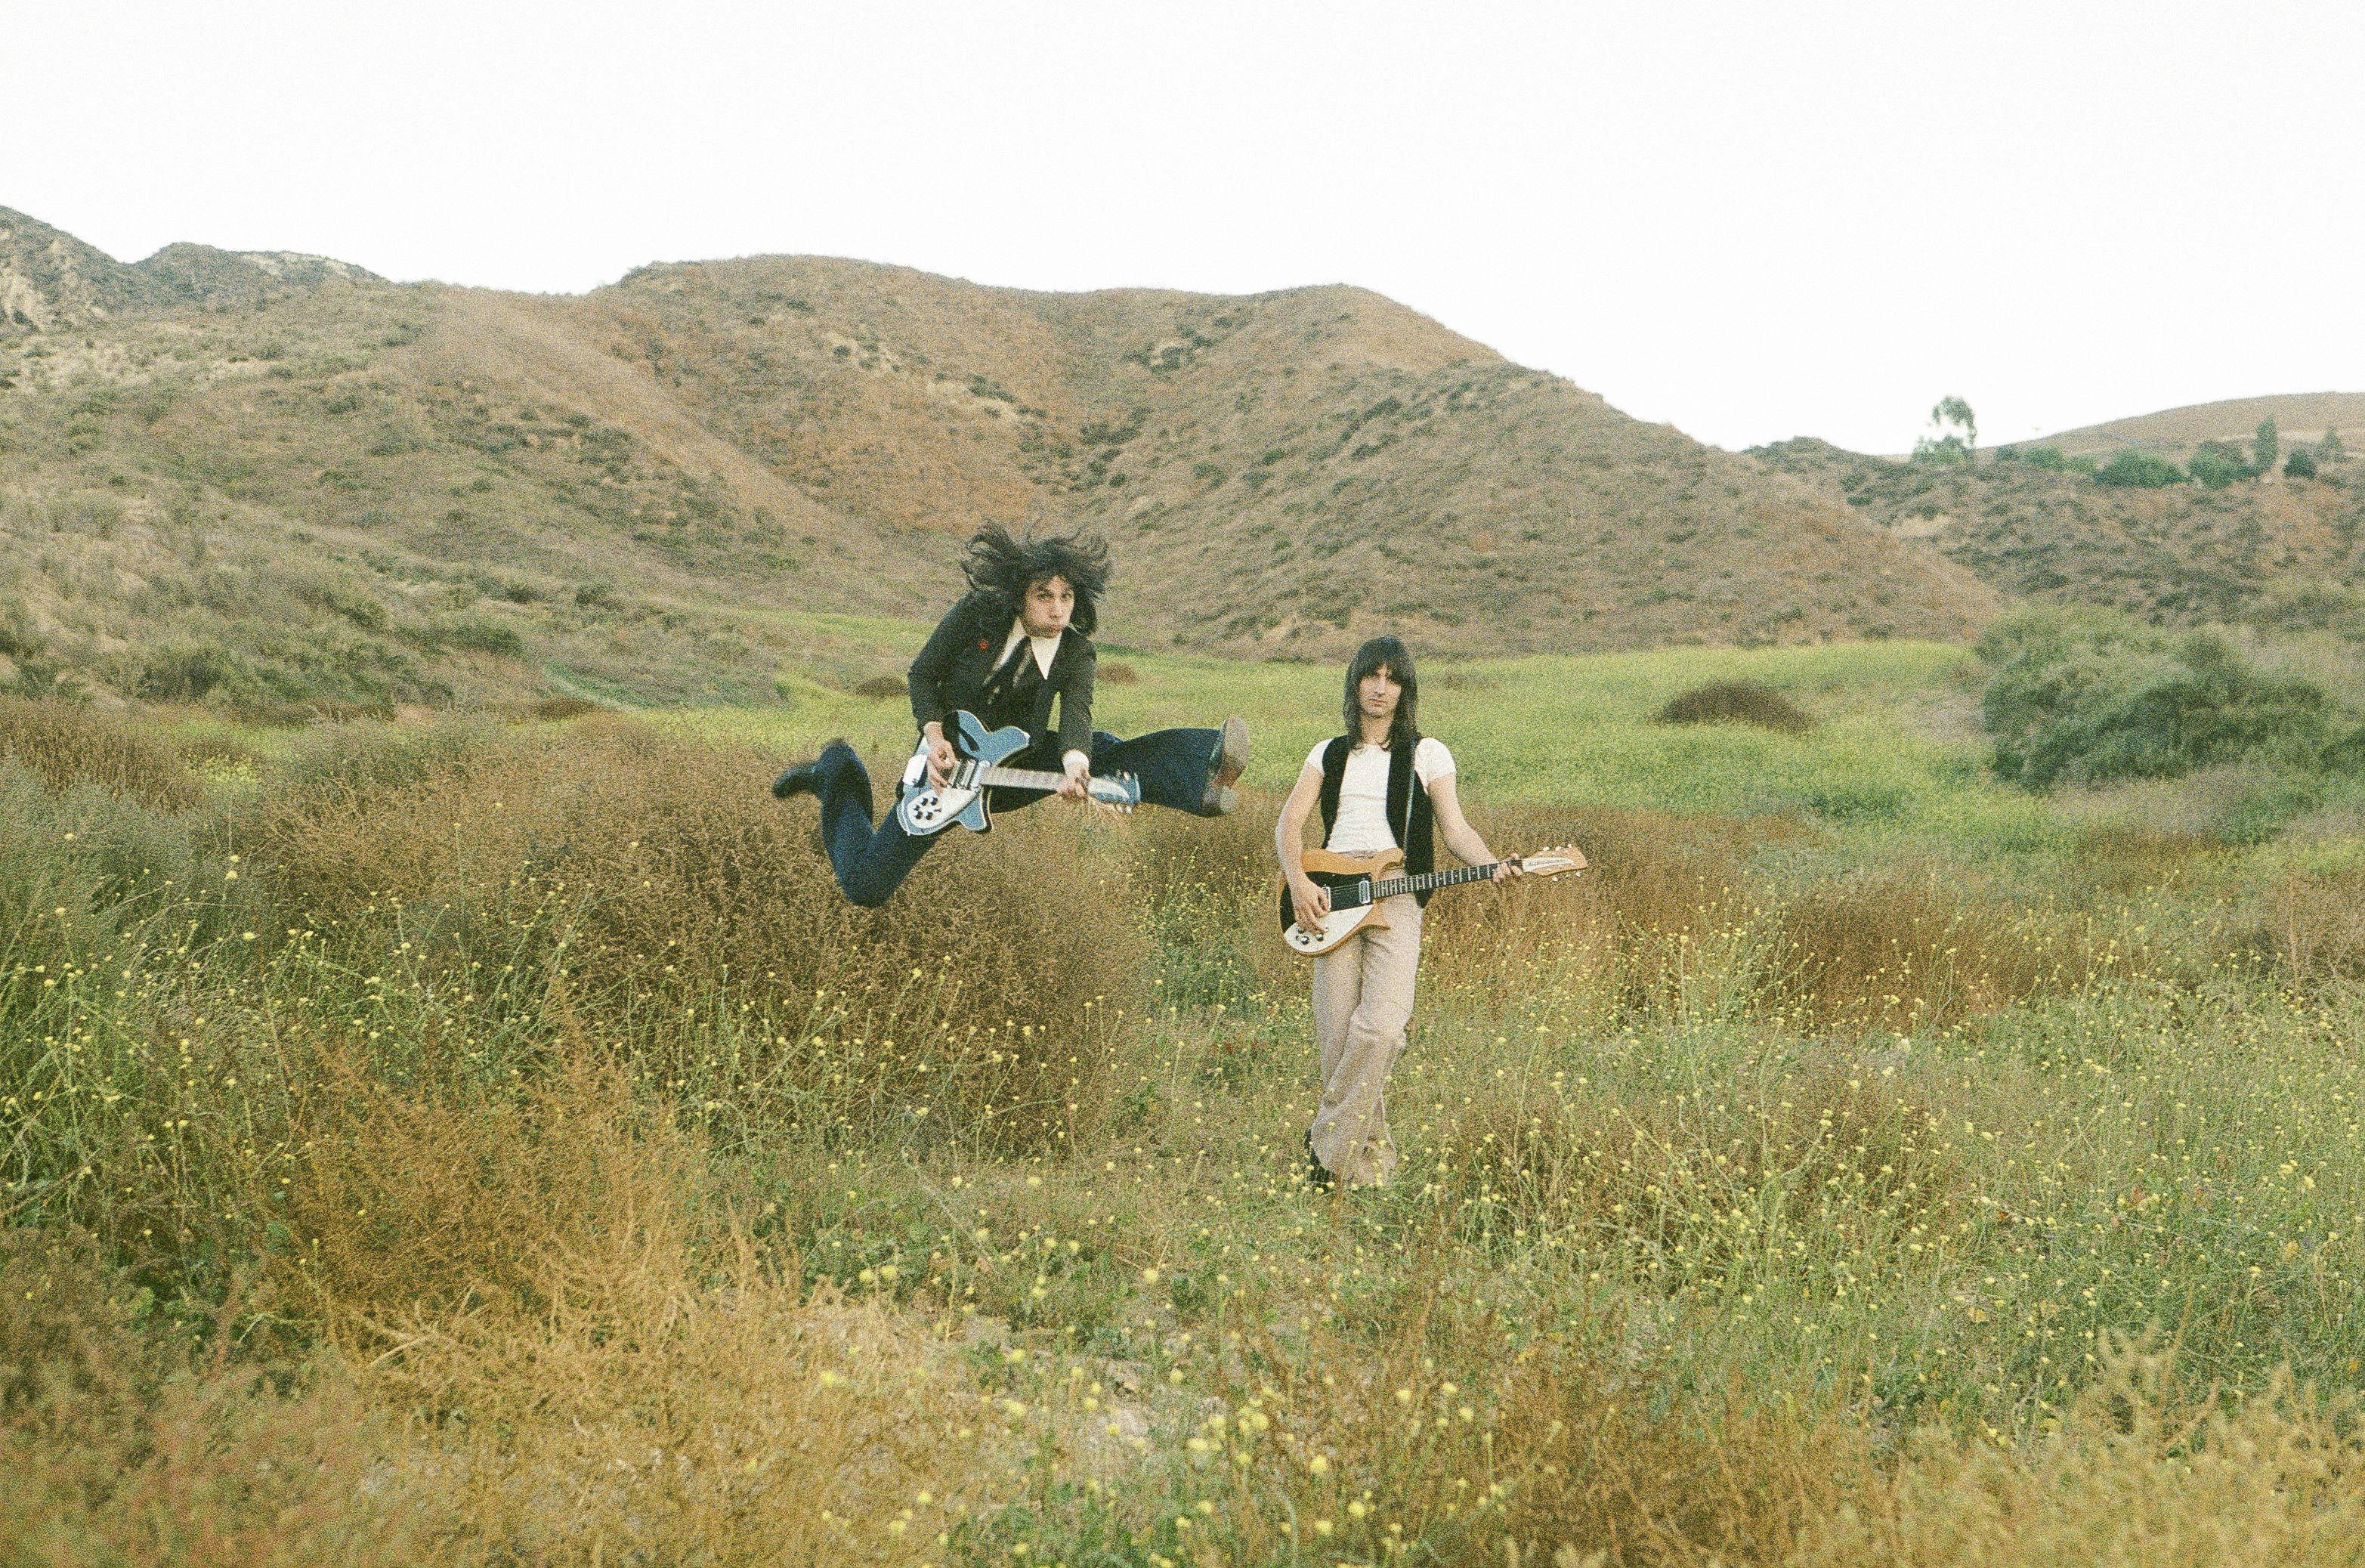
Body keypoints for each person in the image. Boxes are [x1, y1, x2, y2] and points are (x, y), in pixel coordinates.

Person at [771, 524, 1249, 907]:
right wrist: (935, 735)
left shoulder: (1076, 651)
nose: (1058, 610)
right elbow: (922, 674)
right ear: (1021, 595)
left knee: (1099, 747)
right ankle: (838, 772)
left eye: (1067, 597)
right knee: (866, 886)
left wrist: (1076, 768)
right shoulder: (979, 614)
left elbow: (1077, 711)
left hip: (1020, 762)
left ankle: (1205, 769)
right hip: (948, 770)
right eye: (1045, 596)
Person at [1273, 635, 1523, 1189]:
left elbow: (1455, 829)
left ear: (1404, 689)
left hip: (1398, 890)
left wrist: (1490, 863)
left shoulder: (1428, 753)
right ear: (1356, 681)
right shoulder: (1327, 752)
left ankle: (1322, 1146)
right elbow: (1290, 823)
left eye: (1392, 678)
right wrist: (1298, 883)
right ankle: (1367, 1173)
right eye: (1371, 675)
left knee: (1382, 1029)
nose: (1380, 687)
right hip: (1332, 893)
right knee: (1339, 1043)